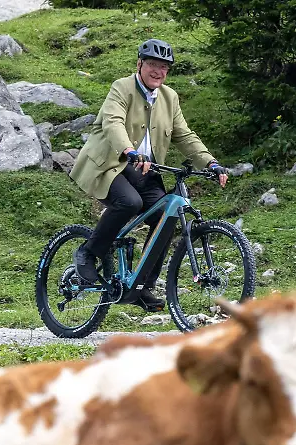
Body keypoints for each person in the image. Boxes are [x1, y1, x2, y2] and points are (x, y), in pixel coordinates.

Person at [68, 38, 229, 312]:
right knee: (130, 202)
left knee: (164, 218)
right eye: (153, 64)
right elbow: (113, 122)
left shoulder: (170, 97)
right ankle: (87, 253)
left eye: (164, 67)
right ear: (140, 64)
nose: (158, 71)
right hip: (111, 163)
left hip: (146, 170)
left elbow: (184, 136)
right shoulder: (122, 87)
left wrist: (210, 163)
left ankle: (142, 286)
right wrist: (129, 151)